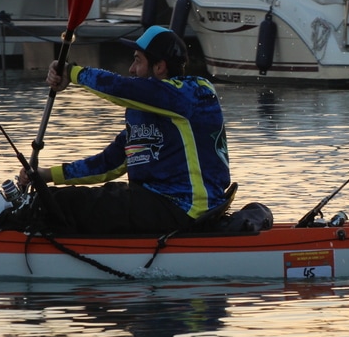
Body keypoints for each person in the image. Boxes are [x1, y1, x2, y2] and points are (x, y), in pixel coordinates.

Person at [18, 25, 232, 236]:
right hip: (152, 203)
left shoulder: (195, 93)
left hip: (187, 208)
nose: (131, 69)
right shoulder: (142, 113)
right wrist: (46, 175)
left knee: (66, 203)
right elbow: (108, 163)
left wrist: (71, 73)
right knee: (52, 198)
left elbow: (120, 87)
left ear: (159, 67)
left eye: (138, 61)